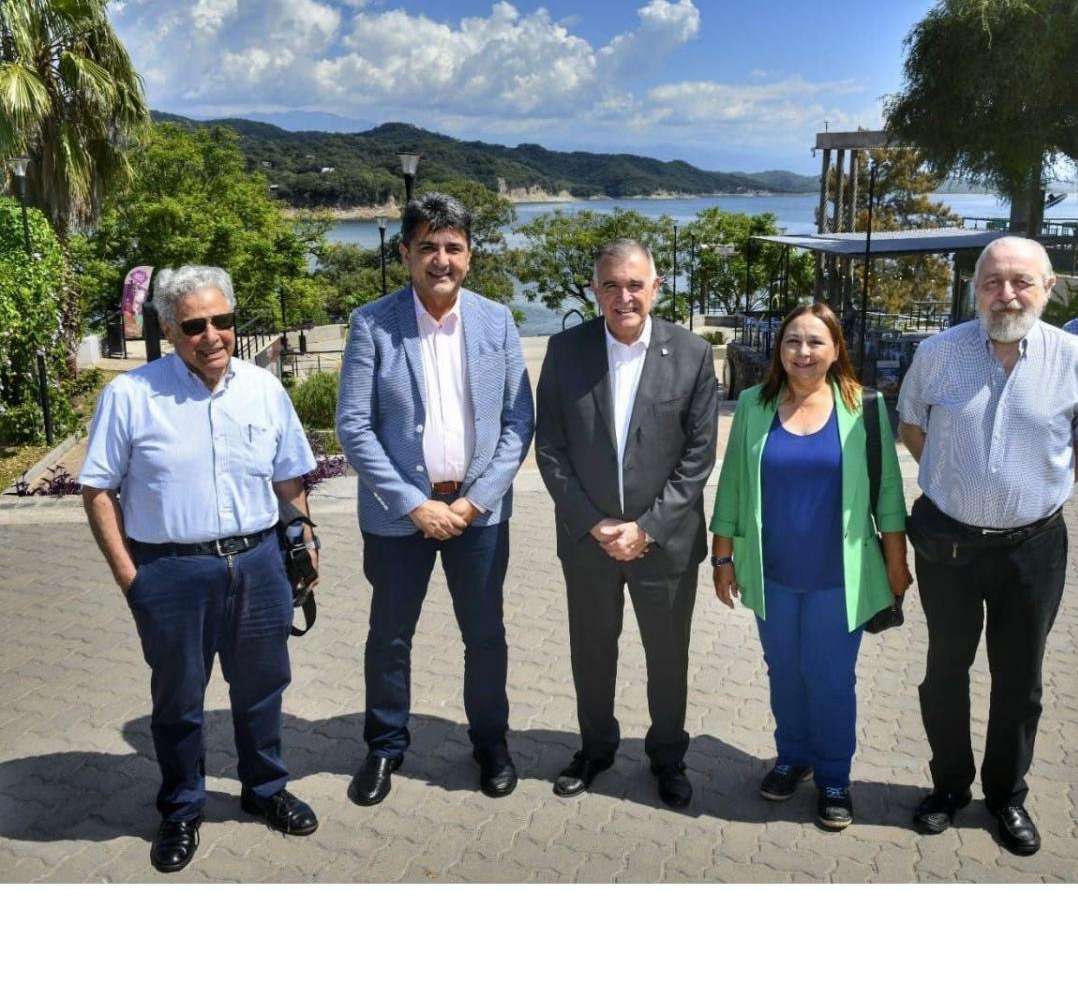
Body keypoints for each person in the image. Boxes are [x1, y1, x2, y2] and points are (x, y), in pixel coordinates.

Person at [80, 265, 320, 874]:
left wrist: (303, 537)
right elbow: (99, 490)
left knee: (264, 688)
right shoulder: (132, 396)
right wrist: (130, 578)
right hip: (172, 571)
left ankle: (264, 789)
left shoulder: (263, 390)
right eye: (194, 324)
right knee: (180, 701)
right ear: (169, 328)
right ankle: (182, 807)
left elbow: (288, 474)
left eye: (223, 320)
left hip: (261, 562)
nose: (212, 334)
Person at [898, 236, 1078, 856]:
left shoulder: (1076, 359)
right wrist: (957, 484)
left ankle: (1005, 796)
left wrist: (1037, 492)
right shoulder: (937, 353)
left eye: (1021, 281)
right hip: (950, 548)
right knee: (945, 672)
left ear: (1048, 289)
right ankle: (948, 789)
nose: (1006, 294)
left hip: (1034, 548)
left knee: (1020, 681)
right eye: (992, 282)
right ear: (976, 288)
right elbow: (912, 425)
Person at [336, 192, 533, 807]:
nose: (440, 259)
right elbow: (354, 425)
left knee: (485, 635)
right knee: (390, 635)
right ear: (405, 254)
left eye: (453, 247)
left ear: (470, 255)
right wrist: (411, 502)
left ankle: (491, 743)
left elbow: (517, 421)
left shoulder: (496, 320)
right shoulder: (373, 322)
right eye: (427, 247)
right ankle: (385, 746)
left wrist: (474, 502)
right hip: (401, 519)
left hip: (479, 514)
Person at [709, 304, 910, 830]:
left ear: (835, 348)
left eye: (815, 342)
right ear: (780, 349)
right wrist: (722, 555)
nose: (802, 352)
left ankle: (835, 776)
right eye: (792, 341)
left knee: (830, 679)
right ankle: (792, 757)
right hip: (770, 573)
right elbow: (731, 484)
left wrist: (896, 564)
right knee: (785, 674)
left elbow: (888, 491)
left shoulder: (863, 407)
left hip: (838, 579)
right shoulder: (754, 404)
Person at [535, 239, 717, 809]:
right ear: (595, 290)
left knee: (667, 657)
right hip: (589, 543)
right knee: (592, 651)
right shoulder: (565, 352)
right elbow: (551, 447)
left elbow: (698, 456)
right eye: (611, 285)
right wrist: (594, 524)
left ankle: (668, 756)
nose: (623, 296)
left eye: (635, 284)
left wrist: (647, 527)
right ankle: (595, 749)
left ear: (656, 288)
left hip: (665, 545)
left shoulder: (691, 353)